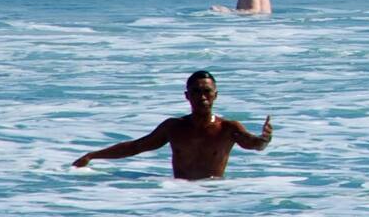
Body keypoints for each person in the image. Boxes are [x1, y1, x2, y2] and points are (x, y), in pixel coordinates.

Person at [72, 71, 274, 180]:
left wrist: (265, 139)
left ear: (215, 95)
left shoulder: (228, 128)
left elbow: (255, 145)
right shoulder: (174, 127)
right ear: (187, 96)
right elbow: (136, 146)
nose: (202, 97)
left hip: (214, 196)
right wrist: (93, 155)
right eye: (196, 92)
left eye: (207, 92)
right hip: (178, 197)